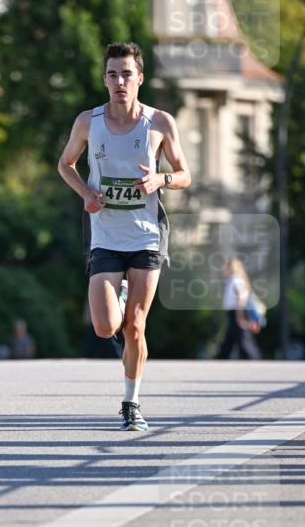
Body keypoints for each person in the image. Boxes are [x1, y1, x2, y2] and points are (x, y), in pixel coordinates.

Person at [58, 41, 191, 431]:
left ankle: (131, 403)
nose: (120, 81)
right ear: (105, 79)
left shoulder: (160, 122)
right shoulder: (88, 121)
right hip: (104, 234)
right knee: (104, 327)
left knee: (135, 325)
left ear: (140, 79)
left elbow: (185, 175)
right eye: (113, 74)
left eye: (127, 74)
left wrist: (160, 178)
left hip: (147, 236)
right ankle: (114, 296)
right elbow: (65, 164)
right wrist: (86, 193)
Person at [217, 257, 261, 360]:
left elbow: (241, 297)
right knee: (232, 336)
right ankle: (223, 355)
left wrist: (239, 316)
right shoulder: (234, 280)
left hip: (236, 312)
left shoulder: (235, 280)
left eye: (225, 268)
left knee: (243, 337)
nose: (223, 270)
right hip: (234, 312)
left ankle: (252, 357)